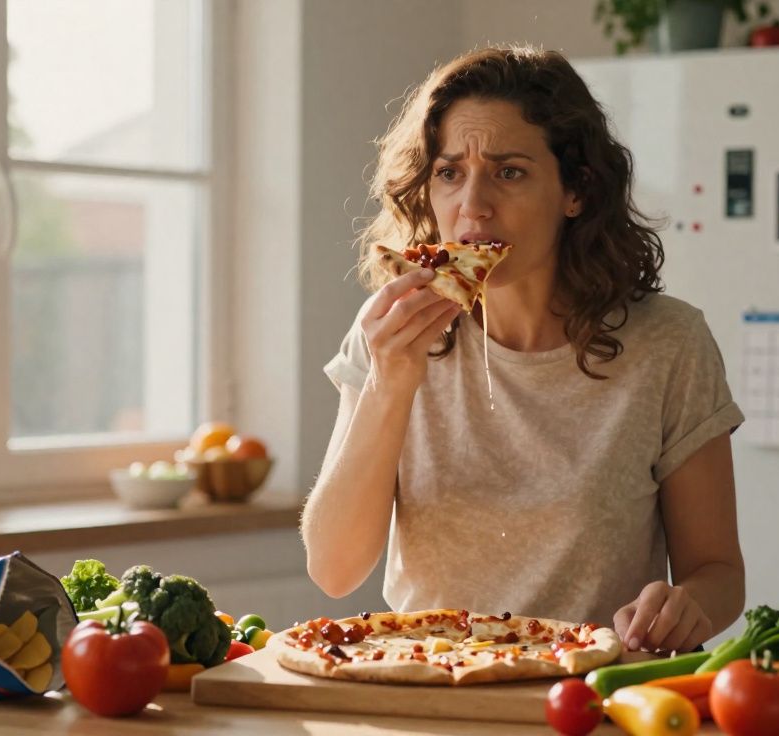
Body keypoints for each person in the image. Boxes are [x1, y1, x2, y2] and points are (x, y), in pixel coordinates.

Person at [302, 46, 746, 654]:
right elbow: (333, 569)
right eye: (449, 172)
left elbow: (719, 571)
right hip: (433, 691)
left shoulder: (669, 344)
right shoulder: (389, 333)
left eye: (509, 172)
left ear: (576, 191)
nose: (472, 206)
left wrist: (684, 605)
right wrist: (390, 382)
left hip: (590, 695)